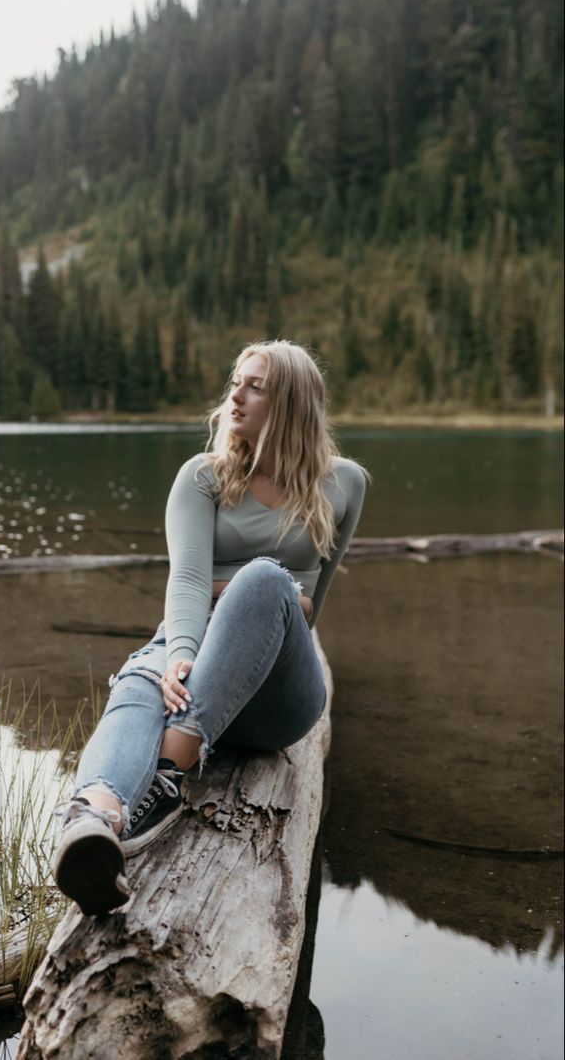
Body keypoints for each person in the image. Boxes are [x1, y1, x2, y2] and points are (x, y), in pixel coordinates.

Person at [54, 339, 366, 915]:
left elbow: (306, 607)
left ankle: (170, 768)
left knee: (265, 580)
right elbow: (189, 583)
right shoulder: (203, 477)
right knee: (142, 683)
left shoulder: (344, 483)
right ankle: (94, 818)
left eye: (255, 386)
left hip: (277, 700)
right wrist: (182, 653)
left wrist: (249, 591)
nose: (235, 396)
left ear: (291, 403)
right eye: (235, 382)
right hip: (195, 640)